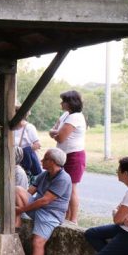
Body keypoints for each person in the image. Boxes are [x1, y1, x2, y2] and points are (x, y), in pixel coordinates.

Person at [12, 148, 72, 255]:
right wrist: (18, 206)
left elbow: (45, 201)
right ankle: (18, 218)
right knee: (17, 189)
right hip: (36, 208)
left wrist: (21, 209)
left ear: (52, 162)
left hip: (50, 214)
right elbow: (29, 192)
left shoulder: (63, 178)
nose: (41, 161)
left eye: (45, 159)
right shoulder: (45, 174)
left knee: (38, 242)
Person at [49, 90, 86, 224]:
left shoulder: (75, 117)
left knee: (72, 187)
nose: (61, 103)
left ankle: (73, 220)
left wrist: (54, 133)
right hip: (64, 155)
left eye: (63, 101)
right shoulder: (66, 115)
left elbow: (60, 137)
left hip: (74, 156)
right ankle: (66, 216)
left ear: (70, 103)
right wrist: (54, 132)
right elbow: (54, 130)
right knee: (64, 186)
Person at [13, 106, 42, 180]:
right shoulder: (11, 128)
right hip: (14, 161)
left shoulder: (29, 127)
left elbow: (37, 145)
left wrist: (22, 151)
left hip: (26, 161)